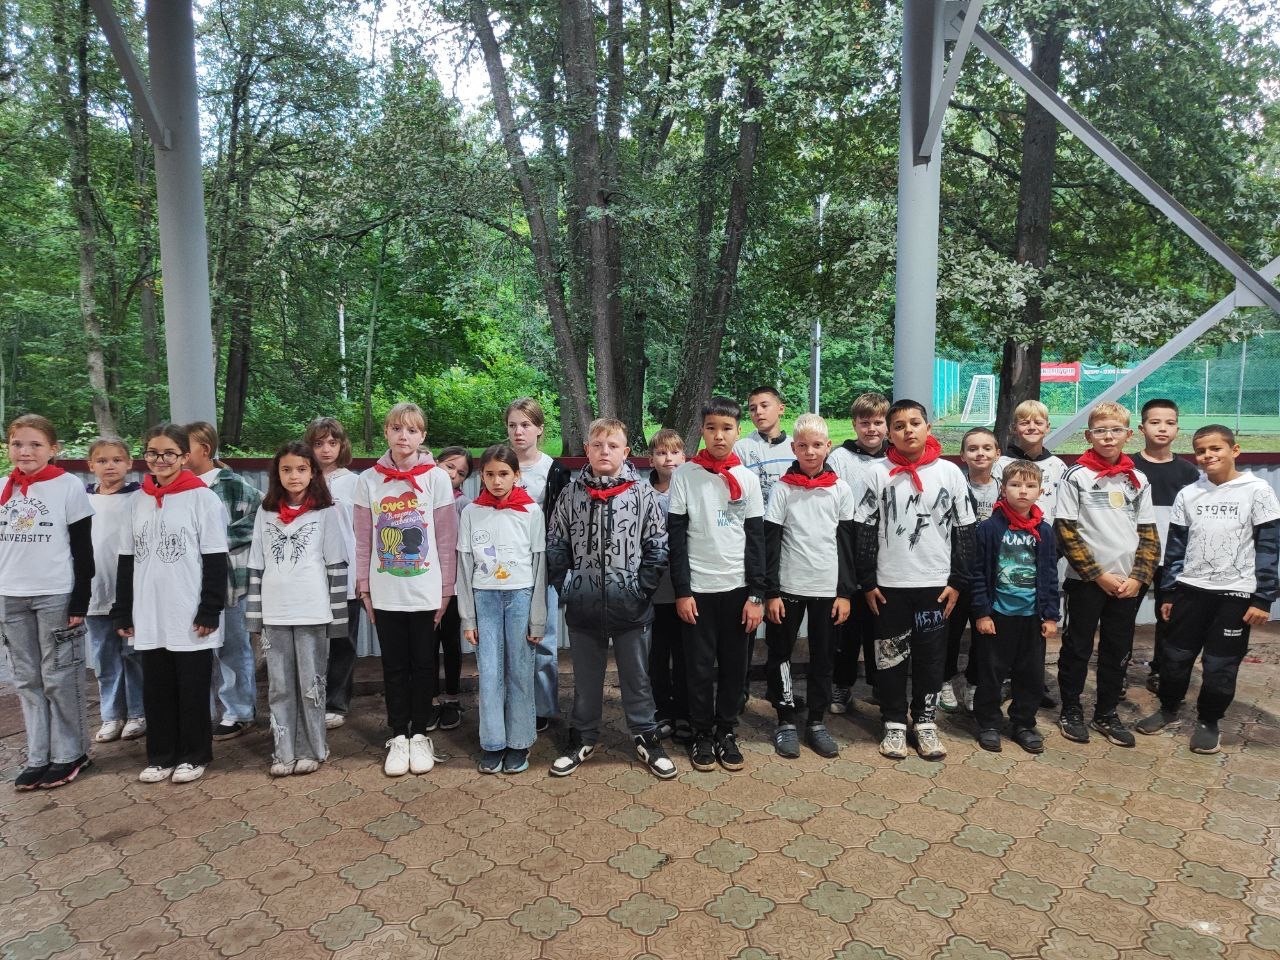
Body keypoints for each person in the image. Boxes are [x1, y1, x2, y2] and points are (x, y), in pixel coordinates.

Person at [1137, 425, 1280, 754]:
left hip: (1235, 595)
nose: (1208, 456)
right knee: (1175, 658)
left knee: (1220, 664)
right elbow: (1175, 548)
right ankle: (1168, 709)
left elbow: (1269, 546)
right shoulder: (1189, 494)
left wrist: (1263, 598)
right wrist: (1169, 592)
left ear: (1235, 450)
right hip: (1190, 591)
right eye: (1201, 451)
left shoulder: (1257, 491)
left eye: (1216, 448)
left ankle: (1208, 721)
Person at [547, 419, 674, 780]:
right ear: (586, 450)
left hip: (631, 606)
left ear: (626, 451)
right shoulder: (570, 495)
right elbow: (555, 543)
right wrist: (568, 586)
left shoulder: (643, 495)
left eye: (613, 445)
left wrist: (641, 589)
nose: (605, 451)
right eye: (598, 445)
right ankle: (583, 736)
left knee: (637, 678)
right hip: (583, 606)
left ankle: (646, 735)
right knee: (586, 680)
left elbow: (657, 547)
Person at [855, 399, 975, 761]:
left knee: (931, 657)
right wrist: (867, 582)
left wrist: (957, 580)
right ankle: (893, 721)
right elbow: (864, 529)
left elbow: (965, 529)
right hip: (889, 586)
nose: (908, 430)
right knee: (889, 657)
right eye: (899, 426)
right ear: (889, 434)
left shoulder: (950, 473)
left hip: (935, 586)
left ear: (928, 427)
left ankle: (925, 721)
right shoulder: (876, 473)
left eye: (915, 423)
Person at [112, 424, 228, 785]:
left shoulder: (203, 499)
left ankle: (194, 755)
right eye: (152, 452)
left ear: (184, 456)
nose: (159, 460)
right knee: (156, 687)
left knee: (191, 687)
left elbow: (216, 559)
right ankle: (161, 755)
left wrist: (210, 608)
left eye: (168, 453)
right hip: (149, 610)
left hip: (188, 609)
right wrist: (123, 608)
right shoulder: (137, 501)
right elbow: (126, 559)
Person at [354, 402, 457, 777]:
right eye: (396, 428)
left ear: (422, 436)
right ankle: (398, 735)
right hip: (385, 591)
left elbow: (445, 540)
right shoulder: (368, 480)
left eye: (412, 430)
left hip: (425, 591)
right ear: (386, 432)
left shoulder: (437, 479)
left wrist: (445, 591)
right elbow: (362, 541)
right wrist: (365, 589)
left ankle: (420, 736)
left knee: (424, 664)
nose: (403, 436)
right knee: (394, 666)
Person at [668, 396, 766, 772]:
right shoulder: (685, 476)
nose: (719, 436)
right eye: (712, 428)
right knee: (697, 667)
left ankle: (726, 730)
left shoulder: (748, 480)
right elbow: (676, 540)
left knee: (734, 667)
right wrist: (682, 591)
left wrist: (756, 595)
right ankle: (701, 733)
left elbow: (756, 541)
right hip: (698, 591)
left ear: (738, 431)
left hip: (738, 591)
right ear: (702, 431)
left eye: (727, 429)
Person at [1054, 401, 1158, 748]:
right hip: (1086, 582)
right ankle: (1071, 710)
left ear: (1128, 435)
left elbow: (1148, 534)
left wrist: (1139, 578)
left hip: (1127, 584)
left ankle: (1106, 713)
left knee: (1117, 650)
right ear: (1089, 436)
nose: (1108, 437)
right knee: (1077, 647)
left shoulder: (1138, 479)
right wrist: (1097, 574)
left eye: (1116, 430)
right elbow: (1066, 531)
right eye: (1100, 431)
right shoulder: (1076, 476)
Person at [2, 414, 95, 790]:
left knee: (59, 676)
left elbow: (83, 549)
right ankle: (38, 755)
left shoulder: (67, 486)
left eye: (35, 444)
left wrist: (80, 601)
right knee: (27, 679)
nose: (25, 451)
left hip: (54, 594)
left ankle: (71, 753)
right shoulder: (4, 486)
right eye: (17, 444)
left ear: (53, 449)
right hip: (10, 595)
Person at [246, 443, 349, 777]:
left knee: (311, 684)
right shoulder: (265, 512)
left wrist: (338, 620)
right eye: (287, 469)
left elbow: (336, 564)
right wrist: (254, 617)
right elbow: (256, 564)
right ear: (277, 473)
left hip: (313, 611)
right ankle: (283, 751)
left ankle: (312, 749)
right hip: (275, 613)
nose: (294, 476)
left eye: (302, 469)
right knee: (279, 687)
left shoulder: (325, 511)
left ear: (313, 473)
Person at [763, 413, 854, 760]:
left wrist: (844, 593)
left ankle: (816, 720)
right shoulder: (783, 489)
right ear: (793, 448)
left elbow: (846, 544)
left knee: (824, 656)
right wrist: (771, 591)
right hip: (788, 586)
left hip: (827, 590)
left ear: (828, 446)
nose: (811, 452)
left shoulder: (841, 489)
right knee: (780, 653)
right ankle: (785, 719)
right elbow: (771, 542)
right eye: (803, 446)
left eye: (817, 445)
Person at [456, 445, 546, 774]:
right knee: (490, 672)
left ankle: (519, 742)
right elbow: (464, 565)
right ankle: (493, 743)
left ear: (516, 475)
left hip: (520, 596)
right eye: (490, 474)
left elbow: (539, 565)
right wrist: (468, 617)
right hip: (485, 599)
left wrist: (537, 620)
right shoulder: (471, 512)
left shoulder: (531, 511)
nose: (497, 481)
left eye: (504, 474)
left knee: (519, 671)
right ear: (481, 476)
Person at [969, 461, 1060, 754]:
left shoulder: (1045, 531)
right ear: (1003, 488)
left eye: (1030, 486)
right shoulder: (989, 528)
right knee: (991, 674)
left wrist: (1050, 615)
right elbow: (978, 573)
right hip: (998, 616)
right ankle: (989, 723)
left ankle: (1023, 723)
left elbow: (1050, 574)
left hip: (1032, 617)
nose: (1023, 491)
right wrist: (982, 612)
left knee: (1030, 675)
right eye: (1016, 484)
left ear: (1040, 491)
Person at [186, 421, 262, 741]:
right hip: (187, 582)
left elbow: (261, 515)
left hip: (229, 581)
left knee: (232, 647)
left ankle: (239, 711)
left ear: (204, 449)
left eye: (184, 447)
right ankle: (198, 712)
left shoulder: (231, 485)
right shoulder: (175, 486)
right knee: (193, 649)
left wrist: (217, 542)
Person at [505, 398, 570, 732]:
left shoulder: (553, 470)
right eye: (513, 425)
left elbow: (563, 523)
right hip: (506, 567)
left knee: (542, 638)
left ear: (540, 429)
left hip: (542, 565)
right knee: (511, 640)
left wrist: (558, 567)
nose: (519, 432)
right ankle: (514, 703)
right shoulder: (500, 465)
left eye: (526, 425)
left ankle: (543, 707)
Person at [1131, 399, 1200, 694]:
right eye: (1155, 422)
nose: (1162, 428)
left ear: (1177, 429)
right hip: (1135, 558)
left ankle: (1161, 671)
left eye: (1169, 423)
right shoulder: (1128, 467)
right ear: (1141, 428)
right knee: (1123, 617)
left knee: (1168, 617)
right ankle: (1117, 670)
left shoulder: (1188, 472)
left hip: (1172, 561)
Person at [827, 391, 889, 713]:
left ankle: (881, 684)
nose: (872, 429)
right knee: (846, 627)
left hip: (886, 554)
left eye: (878, 422)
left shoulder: (896, 458)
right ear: (854, 424)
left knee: (881, 625)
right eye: (865, 423)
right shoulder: (840, 458)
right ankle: (842, 685)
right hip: (849, 548)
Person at [303, 416, 363, 730]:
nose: (326, 449)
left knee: (342, 641)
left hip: (345, 574)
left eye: (332, 442)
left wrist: (363, 573)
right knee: (310, 641)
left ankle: (336, 703)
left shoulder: (354, 483)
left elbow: (362, 531)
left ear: (342, 445)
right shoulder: (301, 478)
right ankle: (308, 700)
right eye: (318, 443)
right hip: (308, 574)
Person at [85, 437, 145, 744]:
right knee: (104, 656)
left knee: (133, 655)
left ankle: (138, 712)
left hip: (129, 594)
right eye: (102, 460)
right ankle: (111, 714)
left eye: (117, 460)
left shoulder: (140, 497)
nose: (110, 466)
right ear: (91, 465)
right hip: (94, 592)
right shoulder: (82, 499)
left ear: (129, 463)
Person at [942, 426, 1001, 713]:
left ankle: (974, 683)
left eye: (987, 448)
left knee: (985, 634)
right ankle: (943, 680)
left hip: (991, 576)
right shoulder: (955, 486)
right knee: (950, 632)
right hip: (959, 572)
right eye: (973, 448)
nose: (980, 453)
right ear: (963, 455)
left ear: (997, 453)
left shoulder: (1005, 488)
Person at [645, 428, 690, 743]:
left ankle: (685, 711)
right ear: (651, 459)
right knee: (658, 654)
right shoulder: (643, 494)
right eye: (661, 453)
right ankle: (662, 709)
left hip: (687, 588)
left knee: (685, 652)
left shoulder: (692, 488)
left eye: (674, 452)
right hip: (656, 590)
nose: (668, 458)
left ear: (684, 457)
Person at [434, 445, 474, 730]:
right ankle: (428, 699)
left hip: (454, 586)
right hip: (423, 585)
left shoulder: (464, 505)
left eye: (460, 473)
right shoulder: (419, 498)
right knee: (425, 644)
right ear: (436, 463)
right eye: (449, 467)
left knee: (450, 642)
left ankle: (451, 698)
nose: (453, 475)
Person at [994, 400, 1067, 522]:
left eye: (1038, 423)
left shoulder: (1058, 466)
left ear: (1047, 427)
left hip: (1048, 532)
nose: (1032, 427)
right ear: (1014, 428)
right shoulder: (1001, 465)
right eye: (1025, 423)